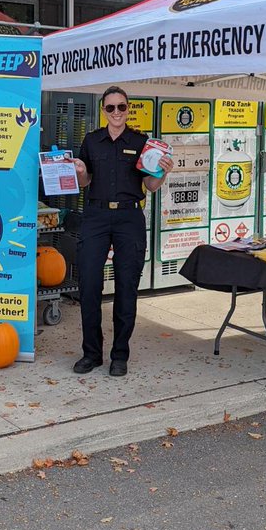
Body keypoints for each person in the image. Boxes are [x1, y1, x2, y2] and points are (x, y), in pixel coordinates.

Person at [71, 86, 172, 376]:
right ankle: (91, 354)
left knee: (127, 287)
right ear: (103, 110)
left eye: (122, 107)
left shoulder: (142, 143)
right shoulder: (91, 141)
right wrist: (79, 171)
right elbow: (84, 182)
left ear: (128, 109)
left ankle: (120, 355)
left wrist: (164, 171)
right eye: (110, 108)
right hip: (96, 216)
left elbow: (150, 186)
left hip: (129, 217)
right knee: (89, 285)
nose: (116, 112)